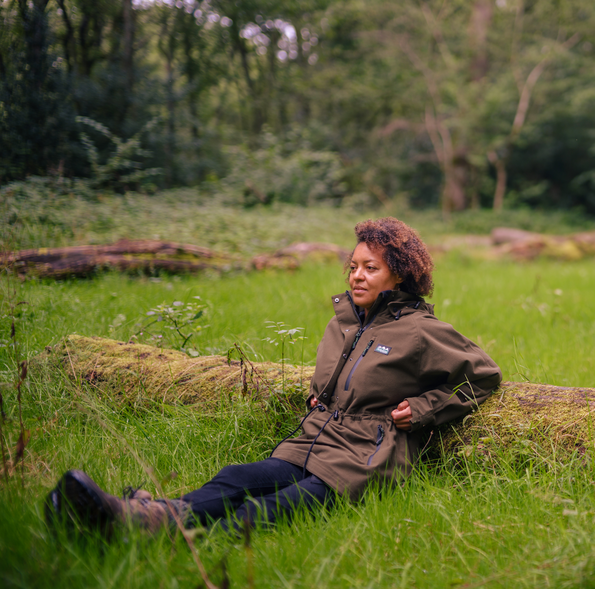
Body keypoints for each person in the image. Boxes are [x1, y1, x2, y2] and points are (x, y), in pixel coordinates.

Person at [46, 217, 501, 535]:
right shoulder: (345, 321)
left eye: (370, 268)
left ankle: (154, 532)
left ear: (399, 276)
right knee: (236, 479)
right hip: (314, 440)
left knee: (268, 511)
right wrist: (317, 397)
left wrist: (424, 410)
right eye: (353, 265)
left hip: (364, 457)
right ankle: (138, 515)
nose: (356, 276)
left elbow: (483, 376)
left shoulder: (421, 331)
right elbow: (338, 376)